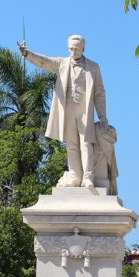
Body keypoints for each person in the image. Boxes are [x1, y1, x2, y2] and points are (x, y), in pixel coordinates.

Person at [19, 35, 108, 188]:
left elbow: (99, 93)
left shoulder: (93, 67)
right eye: (71, 48)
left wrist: (102, 116)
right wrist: (27, 54)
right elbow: (44, 61)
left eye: (77, 49)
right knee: (71, 144)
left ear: (83, 49)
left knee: (86, 143)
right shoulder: (62, 63)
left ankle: (88, 177)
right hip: (67, 108)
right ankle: (74, 175)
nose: (73, 51)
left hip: (84, 109)